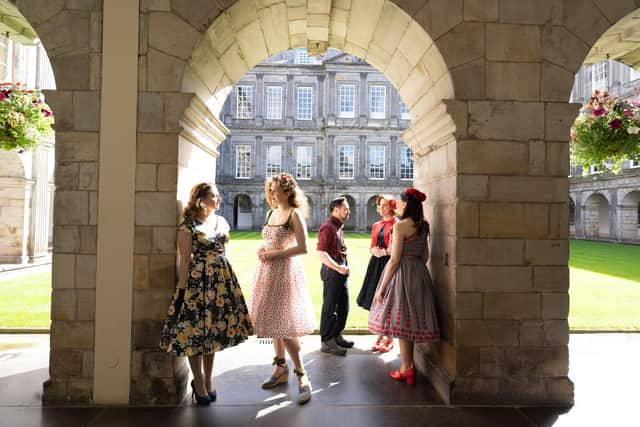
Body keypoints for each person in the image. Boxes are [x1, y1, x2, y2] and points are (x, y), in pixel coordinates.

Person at [160, 182, 254, 405]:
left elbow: (224, 251)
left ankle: (208, 380)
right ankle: (198, 382)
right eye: (214, 196)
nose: (218, 199)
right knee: (195, 334)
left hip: (221, 282)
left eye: (218, 195)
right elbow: (184, 261)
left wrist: (228, 282)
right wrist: (182, 292)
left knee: (213, 333)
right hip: (198, 283)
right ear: (200, 199)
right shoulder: (187, 227)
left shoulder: (221, 221)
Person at [249, 173, 315, 405]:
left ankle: (302, 376)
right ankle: (280, 369)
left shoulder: (294, 214)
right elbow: (269, 239)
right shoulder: (271, 213)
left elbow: (304, 247)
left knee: (286, 326)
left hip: (285, 272)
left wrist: (275, 253)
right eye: (270, 189)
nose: (272, 193)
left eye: (276, 190)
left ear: (288, 191)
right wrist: (262, 248)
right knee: (273, 324)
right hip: (267, 272)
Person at [368, 188, 440, 385]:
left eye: (398, 202)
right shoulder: (423, 225)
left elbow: (394, 260)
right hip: (419, 274)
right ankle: (408, 367)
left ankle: (406, 368)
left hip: (402, 274)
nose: (395, 205)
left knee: (401, 323)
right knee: (410, 321)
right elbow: (425, 257)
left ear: (406, 204)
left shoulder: (400, 226)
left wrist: (381, 288)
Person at [356, 194, 398, 353]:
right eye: (380, 205)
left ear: (392, 206)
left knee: (389, 300)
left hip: (390, 263)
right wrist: (374, 250)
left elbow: (397, 248)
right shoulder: (376, 225)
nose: (382, 208)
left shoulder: (397, 224)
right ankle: (380, 335)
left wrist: (386, 252)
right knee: (377, 301)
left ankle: (389, 337)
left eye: (385, 205)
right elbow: (372, 245)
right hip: (376, 264)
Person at [317, 196, 352, 356]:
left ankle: (336, 335)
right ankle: (327, 341)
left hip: (340, 272)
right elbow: (321, 253)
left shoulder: (338, 226)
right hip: (332, 272)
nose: (348, 211)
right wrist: (338, 267)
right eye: (345, 208)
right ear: (336, 210)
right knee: (330, 308)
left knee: (343, 307)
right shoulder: (328, 227)